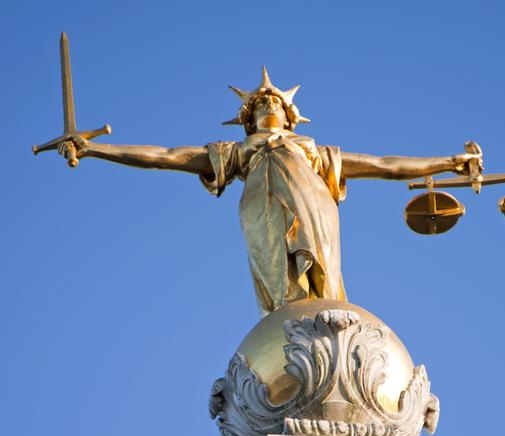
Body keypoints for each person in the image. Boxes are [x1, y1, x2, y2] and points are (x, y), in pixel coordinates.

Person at [61, 68, 482, 316]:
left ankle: (324, 314)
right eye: (258, 107)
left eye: (273, 105)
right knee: (281, 289)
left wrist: (447, 162)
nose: (267, 108)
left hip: (313, 206)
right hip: (261, 210)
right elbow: (166, 156)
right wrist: (97, 149)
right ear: (246, 120)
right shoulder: (240, 152)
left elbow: (384, 165)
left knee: (323, 285)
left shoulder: (312, 151)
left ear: (290, 115)